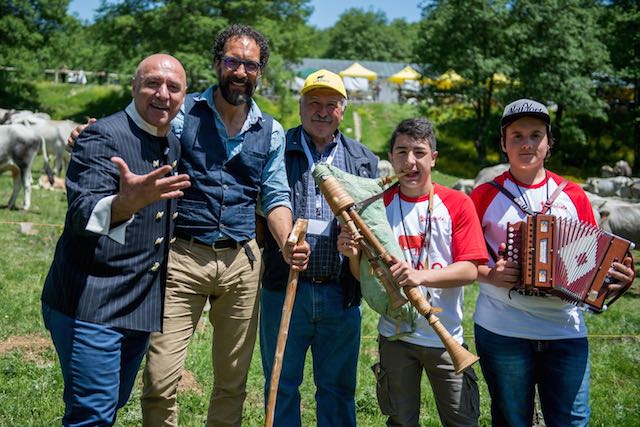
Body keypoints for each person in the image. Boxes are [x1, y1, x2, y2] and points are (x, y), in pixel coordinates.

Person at [138, 25, 307, 427]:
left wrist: (286, 242)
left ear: (260, 71)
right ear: (217, 64)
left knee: (232, 382)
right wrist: (92, 135)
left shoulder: (271, 132)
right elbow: (138, 134)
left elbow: (275, 195)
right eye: (232, 61)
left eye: (250, 64)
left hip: (242, 264)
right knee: (160, 379)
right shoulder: (183, 115)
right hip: (182, 255)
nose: (240, 71)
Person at [41, 54, 191, 426]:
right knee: (92, 414)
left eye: (174, 88)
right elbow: (81, 213)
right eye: (152, 83)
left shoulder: (172, 140)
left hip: (138, 305)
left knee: (112, 401)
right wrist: (125, 203)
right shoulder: (102, 135)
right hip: (90, 302)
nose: (163, 94)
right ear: (133, 87)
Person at [469, 98, 636, 427]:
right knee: (511, 420)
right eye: (516, 135)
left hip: (565, 330)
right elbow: (462, 261)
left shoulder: (573, 195)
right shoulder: (484, 195)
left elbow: (595, 259)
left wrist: (618, 278)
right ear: (503, 143)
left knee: (572, 421)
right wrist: (490, 274)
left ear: (548, 143)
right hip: (502, 329)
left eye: (535, 135)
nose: (527, 143)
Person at [339, 117, 488, 427]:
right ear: (391, 158)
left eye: (419, 152)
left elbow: (470, 270)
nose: (410, 161)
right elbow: (365, 276)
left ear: (433, 157)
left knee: (462, 421)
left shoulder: (457, 203)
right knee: (400, 421)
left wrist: (421, 276)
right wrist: (353, 256)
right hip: (394, 339)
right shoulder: (376, 207)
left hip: (445, 337)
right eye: (401, 152)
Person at [259, 69, 378, 427]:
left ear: (343, 110)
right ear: (301, 106)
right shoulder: (278, 149)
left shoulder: (363, 159)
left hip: (341, 292)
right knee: (281, 385)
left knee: (338, 389)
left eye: (330, 105)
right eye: (314, 103)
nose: (322, 112)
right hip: (285, 289)